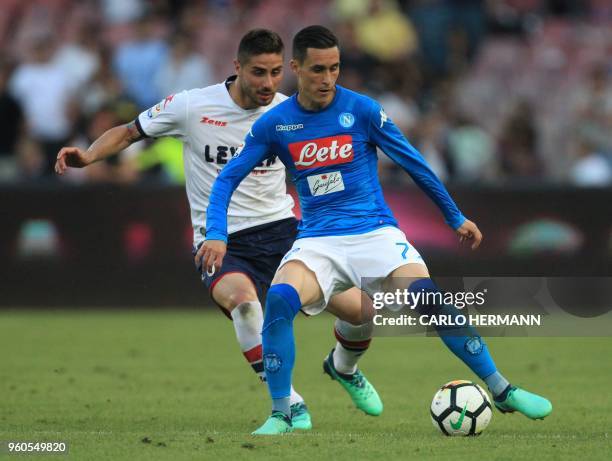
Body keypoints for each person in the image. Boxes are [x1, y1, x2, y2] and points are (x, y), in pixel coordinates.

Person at [199, 25, 553, 435]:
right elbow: (226, 179)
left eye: (334, 68)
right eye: (317, 69)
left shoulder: (362, 110)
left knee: (429, 298)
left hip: (376, 234)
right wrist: (217, 232)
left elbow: (413, 162)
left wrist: (455, 216)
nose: (328, 78)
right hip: (318, 240)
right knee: (279, 300)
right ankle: (283, 412)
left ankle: (502, 388)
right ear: (296, 68)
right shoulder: (275, 124)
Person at [55, 29, 382, 431]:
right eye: (258, 72)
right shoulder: (192, 106)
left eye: (276, 72)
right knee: (246, 306)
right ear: (237, 68)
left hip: (284, 234)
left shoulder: (290, 112)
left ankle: (343, 367)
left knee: (364, 311)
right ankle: (290, 403)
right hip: (220, 241)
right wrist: (88, 156)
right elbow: (128, 131)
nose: (267, 83)